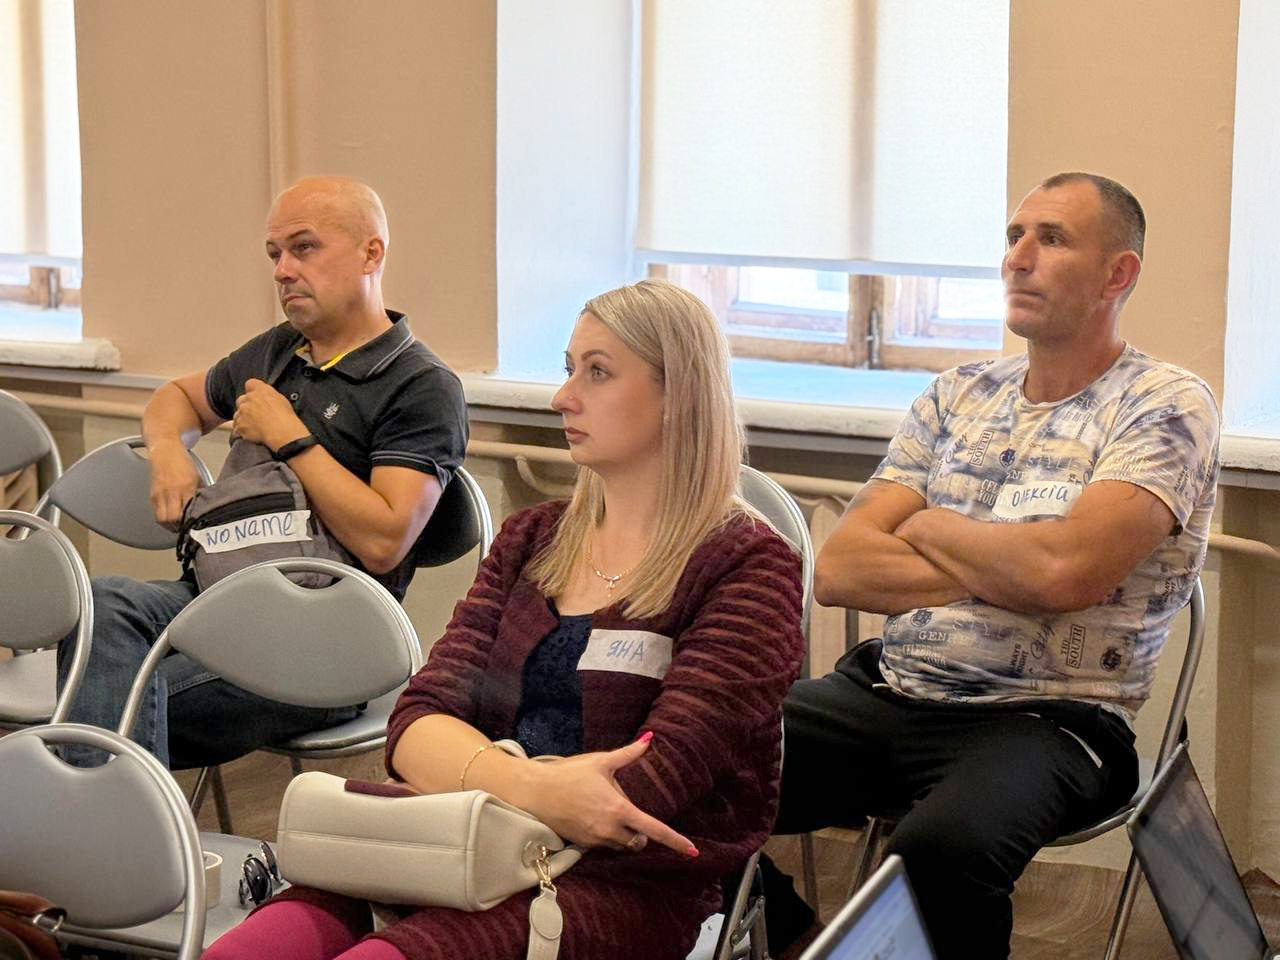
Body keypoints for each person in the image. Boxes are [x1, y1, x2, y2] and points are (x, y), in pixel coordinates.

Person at [203, 278, 807, 960]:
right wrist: (530, 784)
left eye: (598, 372)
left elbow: (640, 794)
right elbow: (416, 723)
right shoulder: (533, 540)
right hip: (450, 838)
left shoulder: (748, 566)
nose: (562, 398)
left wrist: (469, 768)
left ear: (679, 397)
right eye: (568, 369)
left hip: (621, 883)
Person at [764, 173, 1221, 959]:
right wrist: (1017, 561)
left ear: (1117, 274)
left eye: (1053, 238)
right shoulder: (956, 395)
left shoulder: (1164, 405)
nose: (1018, 257)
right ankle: (787, 933)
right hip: (888, 689)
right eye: (1014, 236)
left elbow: (1065, 575)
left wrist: (932, 524)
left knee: (942, 849)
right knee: (676, 765)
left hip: (1053, 720)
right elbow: (840, 568)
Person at [56, 176, 469, 769]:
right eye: (275, 254)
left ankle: (103, 820)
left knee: (109, 698)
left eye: (304, 248)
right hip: (222, 598)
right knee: (105, 604)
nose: (282, 270)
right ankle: (112, 816)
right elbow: (177, 397)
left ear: (371, 253)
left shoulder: (422, 385)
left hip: (326, 641)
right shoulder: (279, 350)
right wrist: (169, 451)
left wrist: (290, 437)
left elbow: (385, 541)